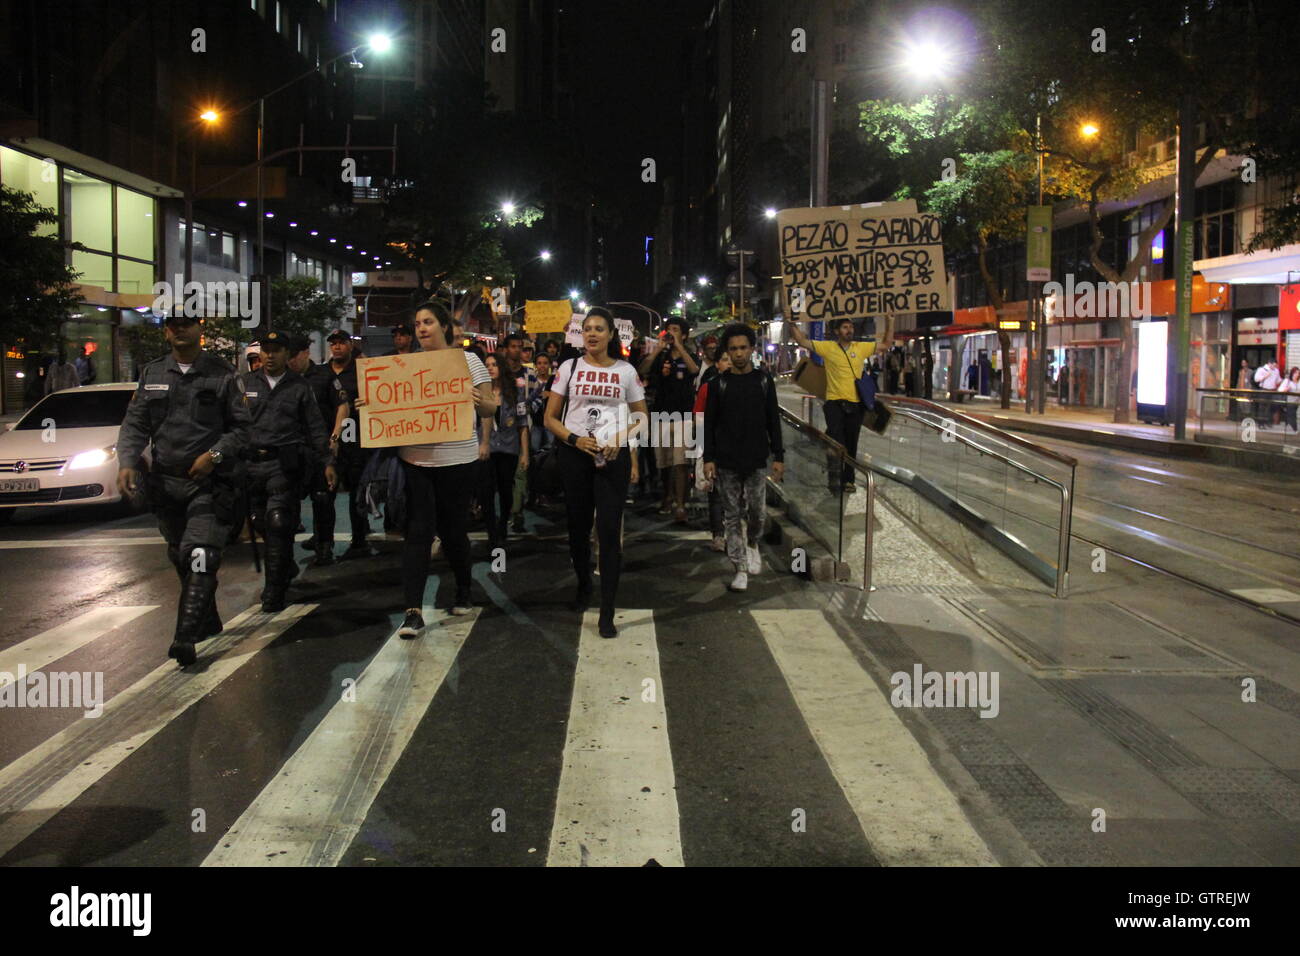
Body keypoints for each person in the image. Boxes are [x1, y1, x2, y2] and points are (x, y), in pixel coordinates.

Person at [116, 314, 251, 667]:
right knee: (180, 555)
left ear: (199, 329)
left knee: (202, 554)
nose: (179, 329)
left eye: (187, 323)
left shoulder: (221, 373)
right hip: (166, 483)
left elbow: (242, 429)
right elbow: (135, 423)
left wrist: (214, 455)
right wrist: (128, 461)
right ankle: (206, 618)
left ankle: (185, 639)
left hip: (208, 482)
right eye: (173, 324)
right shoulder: (153, 373)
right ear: (166, 331)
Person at [356, 302, 496, 637]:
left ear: (444, 325)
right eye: (417, 322)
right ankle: (413, 611)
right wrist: (371, 404)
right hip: (415, 461)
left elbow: (492, 406)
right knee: (417, 533)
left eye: (428, 322)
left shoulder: (469, 361)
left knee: (452, 531)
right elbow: (390, 402)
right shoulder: (402, 365)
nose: (421, 328)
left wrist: (476, 399)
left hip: (458, 461)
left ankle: (463, 588)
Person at [545, 307, 647, 638]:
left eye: (599, 329)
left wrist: (620, 440)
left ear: (611, 335)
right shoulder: (568, 368)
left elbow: (641, 418)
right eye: (587, 328)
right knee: (576, 530)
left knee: (608, 532)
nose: (592, 334)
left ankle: (607, 610)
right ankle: (583, 583)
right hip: (575, 456)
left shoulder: (626, 372)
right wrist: (575, 440)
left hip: (612, 458)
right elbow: (550, 418)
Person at [236, 331, 335, 611]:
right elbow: (232, 423)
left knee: (278, 521)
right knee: (260, 522)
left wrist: (327, 461)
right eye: (265, 350)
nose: (270, 355)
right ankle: (284, 564)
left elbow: (315, 427)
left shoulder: (299, 387)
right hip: (250, 465)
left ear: (286, 354)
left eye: (276, 350)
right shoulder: (243, 384)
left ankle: (274, 590)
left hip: (284, 464)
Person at [703, 324, 784, 592]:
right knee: (732, 515)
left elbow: (773, 419)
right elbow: (710, 424)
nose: (738, 353)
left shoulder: (763, 380)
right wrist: (708, 458)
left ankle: (753, 544)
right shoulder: (718, 384)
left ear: (751, 349)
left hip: (756, 458)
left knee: (758, 512)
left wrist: (779, 455)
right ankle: (739, 567)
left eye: (743, 348)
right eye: (733, 349)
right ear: (727, 351)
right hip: (726, 461)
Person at [790, 316, 876, 493]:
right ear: (837, 331)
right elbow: (801, 341)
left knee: (852, 443)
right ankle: (834, 476)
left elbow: (886, 344)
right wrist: (791, 323)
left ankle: (848, 480)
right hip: (834, 403)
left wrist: (890, 321)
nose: (849, 330)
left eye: (851, 327)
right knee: (837, 441)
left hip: (855, 404)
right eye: (845, 327)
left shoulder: (861, 348)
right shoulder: (828, 347)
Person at [288, 336, 350, 565]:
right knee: (287, 501)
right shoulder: (285, 379)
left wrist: (335, 437)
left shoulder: (324, 377)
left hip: (320, 448)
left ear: (305, 352)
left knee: (323, 499)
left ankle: (324, 546)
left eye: (295, 355)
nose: (291, 361)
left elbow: (343, 406)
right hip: (292, 449)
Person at [638, 316, 698, 522]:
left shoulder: (688, 354)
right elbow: (643, 370)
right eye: (668, 329)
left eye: (676, 329)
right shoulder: (660, 355)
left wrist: (680, 347)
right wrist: (657, 349)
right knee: (663, 463)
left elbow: (694, 370)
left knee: (681, 463)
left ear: (684, 334)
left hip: (683, 416)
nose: (671, 333)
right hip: (661, 415)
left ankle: (680, 505)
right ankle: (667, 496)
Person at [324, 329, 375, 558]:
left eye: (341, 343)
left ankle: (359, 541)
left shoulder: (362, 372)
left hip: (356, 440)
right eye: (333, 343)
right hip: (330, 442)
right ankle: (323, 543)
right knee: (325, 495)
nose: (336, 347)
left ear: (350, 346)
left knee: (357, 492)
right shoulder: (323, 373)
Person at [482, 352, 529, 549]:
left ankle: (502, 527)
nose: (490, 368)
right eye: (487, 365)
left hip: (508, 449)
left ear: (501, 367)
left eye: (494, 364)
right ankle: (492, 531)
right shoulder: (480, 392)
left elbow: (523, 423)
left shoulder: (515, 392)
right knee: (485, 493)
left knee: (505, 490)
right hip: (486, 449)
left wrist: (525, 453)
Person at [694, 346, 731, 551]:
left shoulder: (746, 386)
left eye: (731, 359)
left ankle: (734, 532)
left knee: (736, 494)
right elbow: (699, 420)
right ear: (717, 364)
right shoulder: (707, 388)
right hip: (714, 448)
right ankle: (718, 534)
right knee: (716, 493)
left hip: (737, 448)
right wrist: (705, 451)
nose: (729, 363)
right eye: (724, 359)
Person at [1278, 366, 1300, 432]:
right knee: (1292, 415)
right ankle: (1295, 429)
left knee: (1291, 414)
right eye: (1295, 373)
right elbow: (1280, 390)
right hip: (1289, 401)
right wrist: (1286, 389)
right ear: (1292, 373)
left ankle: (1287, 426)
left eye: (1298, 373)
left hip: (1297, 402)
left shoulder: (1299, 382)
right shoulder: (1287, 381)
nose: (1297, 375)